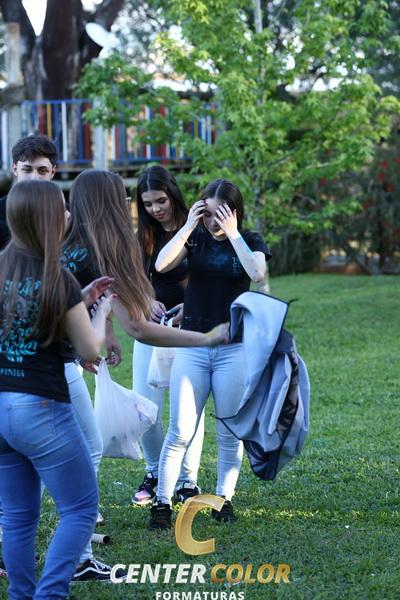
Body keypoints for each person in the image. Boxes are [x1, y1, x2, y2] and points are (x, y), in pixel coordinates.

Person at [0, 135, 120, 583]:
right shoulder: (58, 276)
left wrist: (76, 301)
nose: (69, 215)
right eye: (62, 209)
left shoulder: (2, 268)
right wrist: (100, 310)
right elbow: (89, 351)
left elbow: (24, 318)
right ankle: (52, 592)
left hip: (2, 407)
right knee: (80, 510)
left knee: (17, 517)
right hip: (42, 406)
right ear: (50, 218)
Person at [149, 179, 272, 529]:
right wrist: (189, 225)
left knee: (229, 430)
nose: (212, 221)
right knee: (180, 430)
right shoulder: (196, 237)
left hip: (233, 350)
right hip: (194, 346)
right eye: (207, 214)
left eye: (220, 214)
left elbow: (257, 273)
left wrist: (232, 233)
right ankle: (162, 502)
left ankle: (223, 499)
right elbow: (161, 264)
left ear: (234, 212)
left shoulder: (250, 240)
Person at [132, 166, 205, 506]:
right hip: (152, 327)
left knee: (188, 408)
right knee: (144, 406)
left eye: (160, 201)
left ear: (172, 194)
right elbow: (135, 278)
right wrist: (146, 299)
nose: (155, 209)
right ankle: (154, 472)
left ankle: (187, 480)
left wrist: (191, 305)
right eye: (148, 204)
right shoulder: (144, 235)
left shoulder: (197, 228)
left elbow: (211, 277)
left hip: (190, 327)